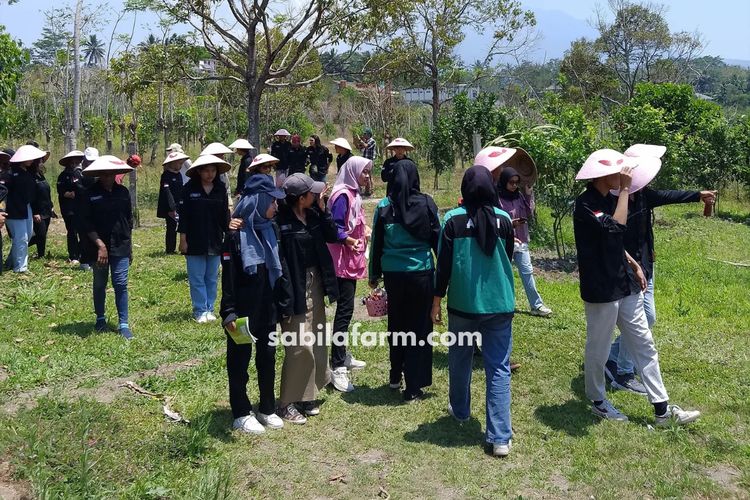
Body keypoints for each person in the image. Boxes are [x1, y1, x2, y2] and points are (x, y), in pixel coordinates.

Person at [573, 148, 701, 426]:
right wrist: (626, 190)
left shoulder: (611, 198)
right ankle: (597, 400)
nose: (624, 175)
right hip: (601, 287)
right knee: (599, 347)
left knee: (644, 343)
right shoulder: (585, 204)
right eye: (618, 171)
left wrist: (633, 264)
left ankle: (663, 410)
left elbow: (617, 243)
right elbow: (615, 229)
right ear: (603, 175)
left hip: (624, 281)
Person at [604, 144, 717, 394]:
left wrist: (698, 194)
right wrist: (632, 266)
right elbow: (612, 238)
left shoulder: (644, 195)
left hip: (646, 266)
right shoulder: (612, 200)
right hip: (627, 269)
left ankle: (610, 356)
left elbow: (670, 196)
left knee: (649, 317)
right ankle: (623, 373)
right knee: (638, 321)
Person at [432, 165, 516, 457]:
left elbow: (443, 265)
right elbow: (508, 256)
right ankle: (500, 437)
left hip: (463, 305)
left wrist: (436, 300)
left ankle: (460, 410)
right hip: (500, 304)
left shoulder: (452, 220)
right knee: (498, 367)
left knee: (460, 359)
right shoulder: (505, 219)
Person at [220, 174, 290, 434]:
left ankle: (267, 407)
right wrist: (228, 312)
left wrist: (283, 305)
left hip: (267, 308)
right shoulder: (235, 236)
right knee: (239, 361)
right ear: (258, 201)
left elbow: (278, 270)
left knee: (267, 358)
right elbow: (229, 277)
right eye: (272, 201)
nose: (276, 206)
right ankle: (240, 411)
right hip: (241, 311)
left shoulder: (271, 231)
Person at [369, 160, 440, 400]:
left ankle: (394, 374)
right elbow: (437, 239)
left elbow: (376, 243)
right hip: (421, 274)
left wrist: (373, 275)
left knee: (397, 324)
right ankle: (413, 386)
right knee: (419, 327)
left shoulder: (384, 207)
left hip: (393, 276)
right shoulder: (427, 203)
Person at [275, 173, 340, 424]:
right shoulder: (280, 221)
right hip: (293, 286)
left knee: (317, 338)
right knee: (299, 344)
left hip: (315, 283)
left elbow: (333, 236)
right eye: (313, 193)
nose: (317, 195)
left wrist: (324, 210)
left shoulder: (313, 215)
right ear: (301, 198)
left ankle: (307, 394)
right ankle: (285, 402)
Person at [326, 156, 372, 393]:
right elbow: (334, 228)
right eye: (364, 172)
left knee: (347, 310)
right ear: (354, 172)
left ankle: (342, 355)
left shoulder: (353, 193)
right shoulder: (342, 195)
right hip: (340, 260)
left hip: (349, 257)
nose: (367, 177)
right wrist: (350, 238)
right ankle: (337, 366)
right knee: (344, 312)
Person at [77, 155, 135, 339]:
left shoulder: (123, 192)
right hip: (97, 247)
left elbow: (128, 220)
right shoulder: (89, 194)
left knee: (120, 283)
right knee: (100, 283)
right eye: (104, 174)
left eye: (111, 174)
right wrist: (100, 245)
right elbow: (85, 223)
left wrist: (129, 247)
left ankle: (123, 324)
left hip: (121, 245)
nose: (108, 177)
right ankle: (100, 319)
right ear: (99, 174)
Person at [178, 154, 231, 323]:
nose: (210, 174)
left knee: (212, 277)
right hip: (194, 239)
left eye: (213, 170)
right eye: (206, 171)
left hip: (215, 239)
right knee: (196, 277)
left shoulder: (220, 189)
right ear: (199, 172)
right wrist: (183, 240)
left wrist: (231, 234)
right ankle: (199, 309)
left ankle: (210, 308)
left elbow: (225, 216)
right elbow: (184, 217)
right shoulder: (189, 189)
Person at [497, 167, 553, 317]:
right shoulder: (497, 198)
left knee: (527, 273)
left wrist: (528, 194)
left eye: (517, 182)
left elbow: (529, 212)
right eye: (511, 182)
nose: (514, 185)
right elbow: (495, 221)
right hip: (505, 242)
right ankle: (502, 304)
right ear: (504, 182)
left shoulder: (519, 196)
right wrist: (510, 224)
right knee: (503, 274)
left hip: (521, 241)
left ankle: (537, 305)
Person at [0, 145, 46, 273]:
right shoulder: (9, 174)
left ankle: (11, 262)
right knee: (21, 237)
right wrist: (2, 211)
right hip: (13, 210)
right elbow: (2, 194)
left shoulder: (29, 173)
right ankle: (20, 268)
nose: (32, 160)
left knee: (28, 235)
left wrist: (36, 210)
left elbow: (33, 194)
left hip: (27, 208)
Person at [57, 150, 85, 265]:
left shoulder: (79, 173)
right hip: (68, 209)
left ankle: (80, 252)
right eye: (72, 161)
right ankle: (73, 255)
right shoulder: (63, 176)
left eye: (77, 161)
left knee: (82, 230)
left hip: (80, 207)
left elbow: (81, 189)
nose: (75, 163)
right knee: (72, 231)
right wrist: (69, 194)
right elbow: (62, 192)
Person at [158, 151, 189, 254]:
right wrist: (171, 207)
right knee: (171, 227)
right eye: (179, 163)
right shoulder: (166, 175)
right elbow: (167, 192)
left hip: (180, 204)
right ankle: (170, 249)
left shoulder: (179, 175)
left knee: (181, 225)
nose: (180, 166)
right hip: (169, 206)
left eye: (181, 163)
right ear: (172, 163)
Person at [76, 147, 100, 271]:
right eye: (89, 161)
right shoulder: (78, 172)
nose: (91, 163)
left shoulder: (99, 171)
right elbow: (79, 190)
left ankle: (93, 259)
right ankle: (84, 261)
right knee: (84, 234)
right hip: (82, 208)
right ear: (84, 160)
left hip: (96, 208)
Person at [28, 159, 55, 259]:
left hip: (46, 209)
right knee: (41, 234)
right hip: (38, 211)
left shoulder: (40, 175)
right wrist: (35, 212)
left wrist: (51, 207)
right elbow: (31, 197)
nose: (42, 164)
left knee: (43, 235)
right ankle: (19, 247)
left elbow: (46, 193)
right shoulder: (30, 177)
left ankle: (41, 255)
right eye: (39, 162)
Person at [356, 128, 376, 196]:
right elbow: (359, 147)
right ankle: (367, 191)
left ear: (369, 134)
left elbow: (366, 146)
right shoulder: (366, 141)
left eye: (365, 134)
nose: (364, 135)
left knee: (369, 176)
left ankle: (371, 191)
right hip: (364, 161)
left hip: (369, 161)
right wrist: (358, 141)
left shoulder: (372, 141)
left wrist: (360, 140)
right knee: (365, 176)